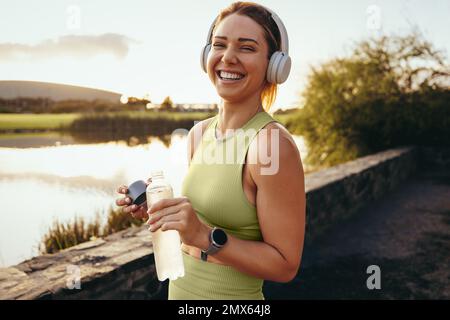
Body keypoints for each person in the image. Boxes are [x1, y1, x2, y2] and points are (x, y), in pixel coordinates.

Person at [115, 1, 305, 300]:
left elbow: (285, 265)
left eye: (246, 48)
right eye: (219, 45)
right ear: (207, 56)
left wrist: (204, 236)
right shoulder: (198, 134)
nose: (228, 58)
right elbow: (199, 224)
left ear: (274, 65)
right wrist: (163, 212)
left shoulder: (272, 145)